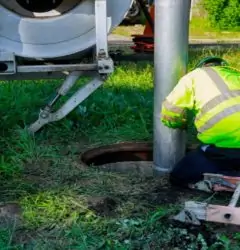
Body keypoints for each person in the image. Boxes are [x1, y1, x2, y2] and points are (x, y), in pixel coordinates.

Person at [160, 56, 240, 189]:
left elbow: (171, 111)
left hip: (220, 149)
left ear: (202, 67)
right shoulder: (236, 74)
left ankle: (225, 181)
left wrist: (179, 125)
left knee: (179, 176)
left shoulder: (193, 77)